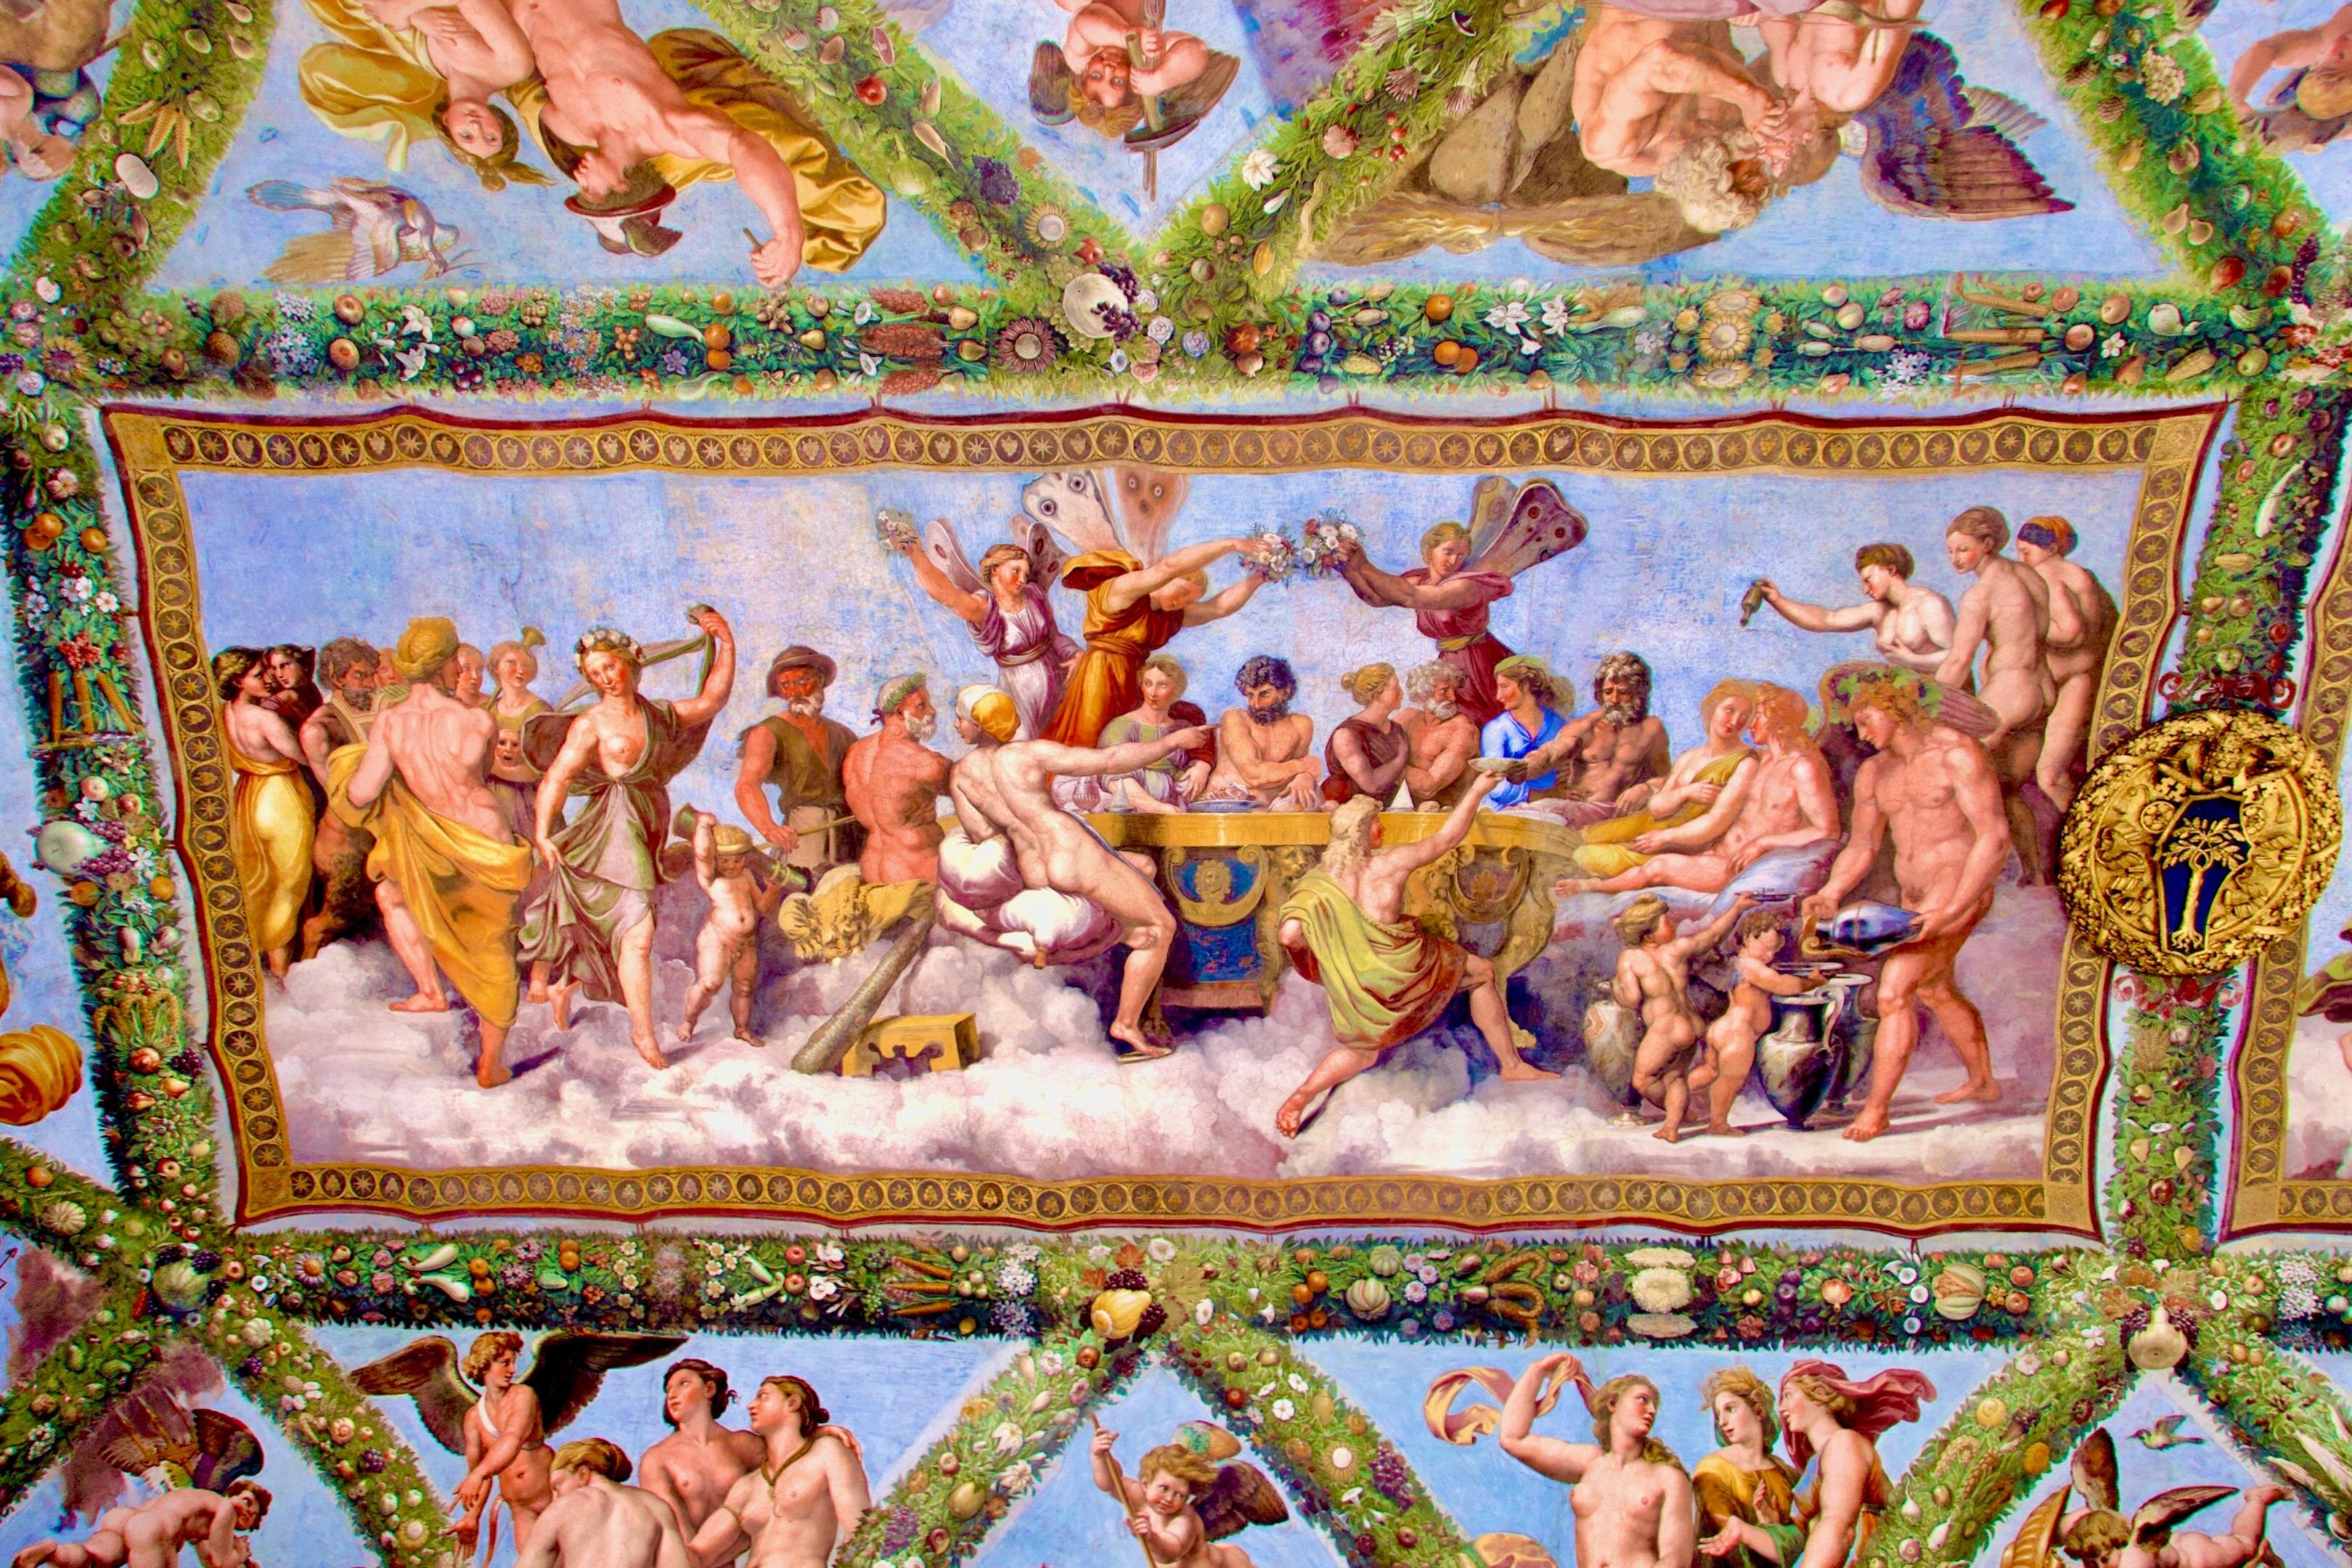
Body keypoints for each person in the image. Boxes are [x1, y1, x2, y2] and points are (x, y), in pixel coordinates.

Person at [1273, 779, 1556, 1136]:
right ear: (1363, 833)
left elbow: (1289, 935)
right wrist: (1476, 791)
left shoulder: (1318, 883)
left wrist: (1333, 958)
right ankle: (1511, 1065)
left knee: (1362, 1050)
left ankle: (1303, 1093)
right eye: (1377, 823)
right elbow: (1447, 838)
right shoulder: (1390, 864)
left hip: (1363, 985)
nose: (1382, 829)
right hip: (1408, 968)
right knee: (1483, 971)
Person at [523, 612, 737, 1071]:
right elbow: (557, 777)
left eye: (610, 667)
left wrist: (726, 640)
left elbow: (712, 699)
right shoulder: (591, 723)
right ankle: (643, 1032)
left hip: (646, 822)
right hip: (610, 829)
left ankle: (565, 987)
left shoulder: (659, 715)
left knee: (620, 932)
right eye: (594, 673)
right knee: (637, 937)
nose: (604, 678)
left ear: (630, 663)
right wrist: (542, 832)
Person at [947, 693, 1212, 1060]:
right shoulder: (1026, 754)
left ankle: (1126, 945)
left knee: (1141, 869)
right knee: (1162, 926)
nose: (957, 726)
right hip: (1068, 851)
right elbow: (1110, 760)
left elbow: (985, 838)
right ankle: (1126, 1023)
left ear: (981, 724)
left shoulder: (961, 775)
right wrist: (1173, 741)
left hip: (1033, 867)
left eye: (961, 719)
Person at [1800, 669, 2005, 1140]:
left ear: (1894, 706)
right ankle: (1983, 1081)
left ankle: (1877, 1110)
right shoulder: (1875, 772)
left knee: (1893, 990)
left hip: (1958, 888)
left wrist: (1954, 908)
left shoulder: (1957, 754)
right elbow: (1864, 846)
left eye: (1866, 718)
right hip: (1912, 898)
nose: (1860, 732)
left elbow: (1993, 837)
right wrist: (1831, 891)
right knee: (1934, 988)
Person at [329, 618, 534, 1087]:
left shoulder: (389, 722)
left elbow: (361, 793)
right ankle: (490, 1060)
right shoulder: (476, 720)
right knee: (491, 944)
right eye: (455, 662)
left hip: (431, 838)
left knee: (394, 896)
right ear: (444, 666)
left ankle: (433, 994)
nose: (460, 669)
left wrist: (349, 766)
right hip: (484, 837)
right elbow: (480, 775)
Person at [1565, 682, 1839, 898]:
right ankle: (1590, 883)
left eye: (1757, 717)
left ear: (1778, 721)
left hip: (1738, 867)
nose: (1749, 724)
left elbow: (1827, 830)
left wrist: (1763, 844)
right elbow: (1696, 776)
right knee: (1605, 847)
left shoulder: (1802, 768)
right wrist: (1657, 787)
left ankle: (1592, 887)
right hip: (1716, 853)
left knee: (1657, 867)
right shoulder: (1759, 760)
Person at [1573, 4, 1792, 234]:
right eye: (1762, 171)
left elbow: (1658, 62)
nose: (1760, 159)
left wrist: (1747, 96)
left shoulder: (1611, 148)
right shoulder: (1723, 130)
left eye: (1751, 173)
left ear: (1713, 175)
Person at [1040, 536, 1270, 749]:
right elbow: (1169, 566)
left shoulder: (1168, 617)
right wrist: (1231, 544)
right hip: (1100, 675)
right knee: (1091, 739)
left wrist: (1258, 578)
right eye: (1182, 592)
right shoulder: (1124, 590)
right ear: (1168, 579)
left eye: (1188, 601)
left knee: (1132, 743)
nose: (1180, 602)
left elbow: (1218, 608)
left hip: (1136, 681)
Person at [1499, 1352, 1696, 1568]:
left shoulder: (1667, 1477)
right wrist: (1538, 1369)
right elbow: (1513, 1438)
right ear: (1613, 1403)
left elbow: (1676, 1559)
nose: (1651, 1411)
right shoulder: (1590, 1463)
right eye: (1643, 1400)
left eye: (1654, 1406)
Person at [1561, 679, 1759, 887]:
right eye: (1729, 710)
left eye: (1744, 717)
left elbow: (1715, 823)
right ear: (1712, 709)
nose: (1735, 721)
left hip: (1678, 844)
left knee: (1586, 856)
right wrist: (1685, 793)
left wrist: (1665, 838)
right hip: (1646, 824)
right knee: (1576, 838)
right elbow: (1657, 807)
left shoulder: (1745, 764)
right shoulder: (1690, 756)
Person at [893, 535, 1077, 739]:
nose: (1023, 579)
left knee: (1065, 737)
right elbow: (948, 595)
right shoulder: (985, 608)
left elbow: (1054, 636)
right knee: (1024, 741)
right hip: (1020, 690)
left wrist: (1074, 653)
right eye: (1015, 571)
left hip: (1056, 679)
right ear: (995, 570)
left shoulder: (1034, 594)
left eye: (1025, 573)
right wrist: (916, 554)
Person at [1607, 891, 1756, 1142]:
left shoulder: (1630, 958)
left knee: (1643, 1080)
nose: (1673, 924)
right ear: (1649, 934)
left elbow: (1632, 999)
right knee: (1675, 1077)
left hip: (1666, 1027)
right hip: (1692, 1023)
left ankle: (1675, 1117)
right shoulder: (1677, 950)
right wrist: (1737, 908)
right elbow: (1714, 935)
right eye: (1666, 922)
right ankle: (1673, 1125)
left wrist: (1615, 988)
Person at [1338, 522, 1520, 725]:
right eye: (1448, 552)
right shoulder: (1421, 581)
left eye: (1461, 556)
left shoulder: (1466, 586)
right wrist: (1347, 569)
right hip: (1449, 664)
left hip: (1480, 663)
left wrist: (1363, 565)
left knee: (1484, 719)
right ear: (1429, 551)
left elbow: (1410, 596)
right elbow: (1376, 599)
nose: (1454, 561)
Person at [685, 1376, 868, 1568]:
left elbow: (860, 1532)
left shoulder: (827, 1453)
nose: (751, 1405)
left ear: (792, 1403)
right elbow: (699, 1554)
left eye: (763, 1397)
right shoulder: (747, 1486)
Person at [1934, 506, 2054, 793]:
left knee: (1954, 777)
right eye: (1951, 551)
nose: (1955, 558)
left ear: (1988, 544)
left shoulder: (1981, 594)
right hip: (2044, 688)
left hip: (2011, 691)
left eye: (1964, 550)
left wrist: (1928, 704)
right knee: (2005, 793)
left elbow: (1959, 661)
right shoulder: (2030, 576)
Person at [216, 647, 315, 978]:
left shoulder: (224, 714)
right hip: (280, 799)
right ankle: (280, 971)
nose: (269, 680)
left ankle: (259, 963)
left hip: (248, 799)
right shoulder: (264, 719)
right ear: (237, 682)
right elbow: (304, 756)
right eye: (259, 675)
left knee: (258, 881)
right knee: (287, 885)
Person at [1776, 1362, 1934, 1568]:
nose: (1782, 1408)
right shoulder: (1818, 1460)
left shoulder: (1844, 1444)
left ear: (1819, 1393)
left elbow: (1838, 1527)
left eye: (1788, 1396)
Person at [2014, 515, 2116, 812]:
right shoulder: (2082, 575)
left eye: (2026, 552)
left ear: (2051, 549)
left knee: (2048, 777)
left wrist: (2025, 630)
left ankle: (2083, 832)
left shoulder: (2047, 575)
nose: (2022, 560)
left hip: (2068, 682)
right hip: (2078, 678)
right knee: (2050, 775)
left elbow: (2071, 633)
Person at [735, 646, 859, 878]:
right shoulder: (768, 732)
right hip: (805, 834)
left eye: (803, 681)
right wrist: (769, 828)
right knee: (805, 892)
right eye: (786, 685)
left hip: (850, 834)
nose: (794, 692)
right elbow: (747, 785)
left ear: (820, 680)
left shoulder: (843, 734)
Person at [298, 635, 383, 960]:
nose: (371, 684)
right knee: (339, 915)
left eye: (372, 675)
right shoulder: (319, 727)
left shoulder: (381, 711)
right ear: (336, 677)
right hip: (349, 837)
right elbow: (337, 793)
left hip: (383, 823)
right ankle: (308, 971)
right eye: (360, 676)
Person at [1511, 652, 1670, 827]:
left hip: (1612, 817)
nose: (1614, 699)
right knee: (1520, 818)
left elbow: (1668, 779)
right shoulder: (1587, 727)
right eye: (1608, 692)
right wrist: (1524, 768)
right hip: (1573, 809)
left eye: (1623, 692)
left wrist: (1647, 788)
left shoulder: (1651, 730)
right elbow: (1550, 754)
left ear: (1638, 694)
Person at [1689, 907, 1808, 1138]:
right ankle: (1718, 1123)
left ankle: (1672, 1099)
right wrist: (1812, 982)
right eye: (1766, 948)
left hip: (1725, 1029)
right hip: (1738, 1032)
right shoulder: (1751, 966)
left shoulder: (1742, 963)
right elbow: (1783, 985)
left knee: (1710, 1071)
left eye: (1775, 950)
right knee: (1731, 1079)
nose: (1769, 956)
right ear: (1747, 938)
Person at [1752, 544, 1956, 676]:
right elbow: (1827, 619)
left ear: (1891, 570)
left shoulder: (1928, 603)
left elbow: (1957, 658)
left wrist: (1912, 660)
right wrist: (1778, 600)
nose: (1865, 590)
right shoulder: (1879, 611)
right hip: (1911, 697)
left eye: (1869, 579)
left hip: (1946, 699)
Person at [677, 812, 788, 1046]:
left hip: (747, 942)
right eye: (724, 860)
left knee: (745, 987)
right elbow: (702, 854)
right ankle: (688, 1021)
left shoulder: (746, 876)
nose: (731, 866)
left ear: (745, 858)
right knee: (709, 984)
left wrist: (772, 891)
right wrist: (704, 826)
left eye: (737, 860)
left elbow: (762, 908)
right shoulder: (710, 878)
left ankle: (742, 1029)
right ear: (715, 859)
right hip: (718, 939)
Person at [1055, 653, 1206, 813]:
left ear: (1177, 690)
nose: (1153, 693)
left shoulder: (1183, 727)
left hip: (1177, 799)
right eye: (1148, 684)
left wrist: (1200, 767)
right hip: (1134, 802)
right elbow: (1111, 774)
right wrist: (1158, 808)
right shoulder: (1122, 725)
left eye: (1162, 685)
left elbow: (1198, 759)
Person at [1087, 1426, 1257, 1568]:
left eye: (1180, 1495)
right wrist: (1100, 1456)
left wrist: (1151, 1538)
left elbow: (1171, 1551)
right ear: (1146, 1484)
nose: (1169, 1498)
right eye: (1164, 1488)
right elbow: (1111, 1483)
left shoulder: (1184, 1518)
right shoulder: (1140, 1496)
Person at [453, 1330, 557, 1559]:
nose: (512, 1370)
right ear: (485, 1365)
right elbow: (479, 1477)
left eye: (513, 1363)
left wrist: (478, 1474)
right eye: (505, 1363)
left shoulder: (523, 1396)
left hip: (552, 1496)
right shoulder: (473, 1418)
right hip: (520, 1509)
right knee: (531, 1563)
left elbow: (512, 1439)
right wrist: (472, 1517)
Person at [841, 673, 950, 884]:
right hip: (913, 869)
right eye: (922, 705)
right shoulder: (914, 758)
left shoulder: (856, 753)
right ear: (900, 712)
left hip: (872, 867)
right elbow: (968, 787)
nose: (932, 711)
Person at [515, 1438, 691, 1568]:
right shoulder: (656, 1507)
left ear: (583, 1474)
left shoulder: (562, 1508)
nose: (555, 1497)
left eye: (557, 1486)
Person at [9, 1481, 271, 1568]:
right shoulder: (226, 1508)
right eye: (247, 1501)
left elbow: (208, 1557)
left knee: (92, 1559)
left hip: (124, 1520)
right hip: (153, 1531)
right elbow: (222, 1561)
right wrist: (239, 1555)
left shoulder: (204, 1509)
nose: (246, 1510)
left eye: (252, 1514)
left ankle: (52, 1552)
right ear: (233, 1494)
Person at [637, 1360, 764, 1538]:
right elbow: (675, 1529)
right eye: (668, 1390)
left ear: (709, 1389)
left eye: (683, 1384)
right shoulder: (657, 1458)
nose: (672, 1395)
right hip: (686, 1552)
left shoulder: (745, 1444)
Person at [1693, 1367, 1803, 1568]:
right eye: (1718, 1415)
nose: (1723, 1422)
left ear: (1759, 1411)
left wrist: (1771, 1525)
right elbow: (1727, 1540)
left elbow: (1809, 1536)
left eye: (1730, 1409)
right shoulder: (1712, 1471)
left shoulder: (1785, 1472)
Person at [1053, 0, 1213, 117]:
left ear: (1086, 71)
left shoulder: (1080, 58)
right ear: (1132, 83)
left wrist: (1125, 36)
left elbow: (1085, 18)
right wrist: (1160, 79)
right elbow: (1197, 50)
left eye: (1096, 75)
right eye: (1117, 81)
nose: (1108, 69)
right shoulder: (1146, 56)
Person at [2062, 1487, 2291, 1568]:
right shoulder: (2126, 1553)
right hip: (2185, 1546)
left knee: (2245, 1544)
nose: (2100, 1567)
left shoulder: (2134, 1556)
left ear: (2118, 1544)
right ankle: (2265, 1554)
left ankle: (2257, 1500)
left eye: (2103, 1560)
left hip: (2202, 1558)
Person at [1206, 655, 1321, 809]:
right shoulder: (1235, 719)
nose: (1256, 704)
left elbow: (1294, 777)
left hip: (1271, 809)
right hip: (1226, 810)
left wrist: (1304, 776)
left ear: (1286, 692)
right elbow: (1255, 776)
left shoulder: (1301, 725)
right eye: (1250, 695)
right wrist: (1306, 766)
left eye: (1265, 694)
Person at [2229, 6, 2352, 129]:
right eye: (2340, 55)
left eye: (2341, 55)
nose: (2335, 45)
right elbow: (2268, 49)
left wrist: (2237, 95)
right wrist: (2238, 96)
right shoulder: (2329, 43)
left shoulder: (2329, 44)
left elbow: (2269, 48)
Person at [486, 630, 553, 844]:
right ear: (496, 668)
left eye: (525, 665)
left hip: (526, 803)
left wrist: (486, 765)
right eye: (511, 663)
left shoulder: (540, 712)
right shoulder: (488, 710)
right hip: (491, 801)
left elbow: (538, 772)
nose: (520, 670)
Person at [1479, 655, 1569, 810]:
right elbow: (1495, 787)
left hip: (1551, 810)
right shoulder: (1496, 729)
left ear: (1526, 685)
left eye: (1504, 687)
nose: (1498, 696)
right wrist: (1548, 795)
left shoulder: (1559, 725)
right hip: (1502, 812)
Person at [1322, 663, 1410, 807]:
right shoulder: (1346, 734)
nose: (1402, 692)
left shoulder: (1397, 730)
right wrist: (1401, 758)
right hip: (1345, 807)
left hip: (1384, 807)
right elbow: (1371, 784)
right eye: (1396, 687)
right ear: (1377, 695)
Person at [1397, 661, 1480, 808]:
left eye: (1454, 690)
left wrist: (1383, 768)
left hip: (1446, 813)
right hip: (1404, 809)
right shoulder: (1408, 718)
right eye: (1444, 691)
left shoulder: (1463, 730)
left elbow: (1428, 787)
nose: (1453, 698)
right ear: (1423, 695)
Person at [265, 643, 320, 724]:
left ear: (304, 665)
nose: (279, 675)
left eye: (284, 666)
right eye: (275, 668)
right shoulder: (285, 697)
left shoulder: (313, 691)